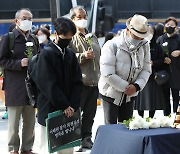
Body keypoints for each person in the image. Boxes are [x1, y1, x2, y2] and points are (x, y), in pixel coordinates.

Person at [30, 17, 83, 154]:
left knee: (67, 149)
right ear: (56, 34)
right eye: (65, 36)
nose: (68, 39)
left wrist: (73, 105)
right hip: (50, 108)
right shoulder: (46, 54)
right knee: (48, 149)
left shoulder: (70, 54)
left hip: (69, 111)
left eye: (71, 36)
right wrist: (64, 105)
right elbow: (47, 84)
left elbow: (77, 82)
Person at [98, 14, 152, 124]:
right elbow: (107, 73)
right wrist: (125, 87)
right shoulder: (112, 45)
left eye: (142, 36)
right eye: (136, 36)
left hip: (130, 95)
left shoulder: (145, 45)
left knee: (127, 127)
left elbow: (146, 69)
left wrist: (136, 86)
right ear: (128, 30)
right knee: (111, 129)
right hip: (111, 93)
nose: (139, 39)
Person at [0, 8, 38, 154]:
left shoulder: (34, 39)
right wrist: (17, 64)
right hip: (15, 86)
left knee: (30, 121)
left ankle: (27, 148)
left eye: (30, 18)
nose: (27, 21)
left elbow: (39, 57)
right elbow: (2, 60)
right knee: (14, 123)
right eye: (24, 18)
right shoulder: (8, 38)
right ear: (17, 21)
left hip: (32, 86)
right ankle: (13, 149)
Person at [69, 6, 101, 150]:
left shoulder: (92, 36)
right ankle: (75, 140)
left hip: (94, 82)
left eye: (84, 17)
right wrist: (82, 56)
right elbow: (67, 58)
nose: (83, 20)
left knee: (90, 114)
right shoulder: (70, 36)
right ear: (72, 19)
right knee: (76, 114)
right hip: (79, 83)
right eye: (79, 17)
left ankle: (86, 138)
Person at [135, 25, 165, 118]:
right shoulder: (138, 44)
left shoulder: (157, 47)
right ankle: (140, 118)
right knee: (141, 99)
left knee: (152, 99)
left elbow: (161, 59)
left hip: (153, 76)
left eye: (151, 31)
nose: (149, 33)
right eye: (147, 31)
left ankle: (151, 118)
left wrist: (153, 62)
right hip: (139, 76)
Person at [157, 17, 180, 116]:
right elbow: (155, 55)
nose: (169, 26)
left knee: (176, 96)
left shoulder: (179, 38)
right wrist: (163, 59)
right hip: (164, 73)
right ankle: (166, 118)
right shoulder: (160, 39)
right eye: (167, 25)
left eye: (172, 25)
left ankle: (176, 117)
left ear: (176, 27)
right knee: (165, 97)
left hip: (177, 72)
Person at [1, 23, 16, 120]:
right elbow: (2, 60)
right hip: (10, 77)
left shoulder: (31, 39)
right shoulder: (6, 39)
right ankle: (7, 109)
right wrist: (18, 64)